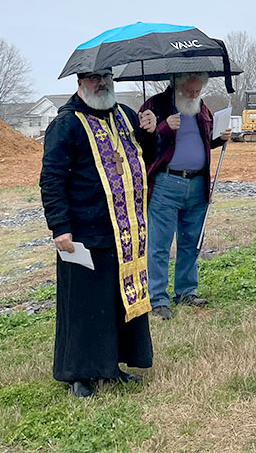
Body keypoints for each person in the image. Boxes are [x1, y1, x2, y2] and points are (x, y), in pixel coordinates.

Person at [40, 68, 159, 397]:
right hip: (82, 230)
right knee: (83, 306)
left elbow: (146, 156)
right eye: (93, 78)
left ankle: (111, 366)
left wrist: (150, 132)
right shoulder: (67, 123)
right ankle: (78, 375)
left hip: (124, 231)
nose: (102, 83)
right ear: (79, 83)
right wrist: (59, 227)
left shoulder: (125, 115)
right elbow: (51, 178)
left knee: (115, 303)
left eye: (106, 76)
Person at [140, 72, 232, 320]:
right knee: (159, 244)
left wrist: (219, 138)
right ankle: (157, 298)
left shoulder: (202, 109)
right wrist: (163, 127)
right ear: (176, 85)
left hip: (197, 184)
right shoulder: (155, 106)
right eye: (190, 91)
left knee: (191, 242)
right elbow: (140, 142)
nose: (194, 95)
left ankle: (185, 291)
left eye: (198, 91)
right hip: (165, 184)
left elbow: (205, 139)